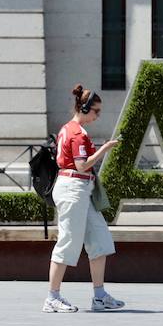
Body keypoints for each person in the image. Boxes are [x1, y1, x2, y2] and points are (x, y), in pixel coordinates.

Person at [43, 84, 124, 313]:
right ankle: (52, 297)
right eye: (96, 111)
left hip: (78, 189)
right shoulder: (77, 133)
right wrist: (105, 149)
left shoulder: (69, 128)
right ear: (85, 108)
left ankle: (99, 296)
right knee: (68, 242)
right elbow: (82, 164)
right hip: (73, 188)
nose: (98, 115)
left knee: (99, 239)